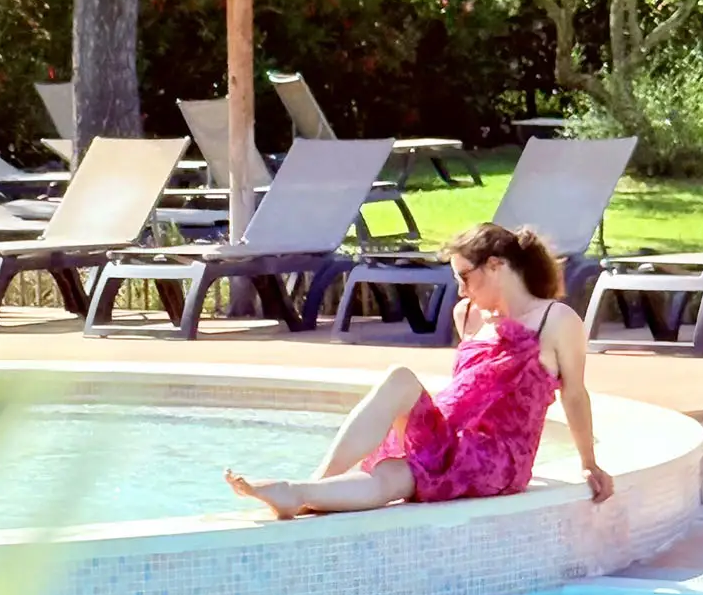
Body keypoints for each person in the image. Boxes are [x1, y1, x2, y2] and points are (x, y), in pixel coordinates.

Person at [225, 221, 614, 519]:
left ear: (496, 266)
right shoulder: (468, 315)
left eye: (465, 277)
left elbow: (574, 394)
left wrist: (588, 463)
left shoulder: (555, 320)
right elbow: (467, 391)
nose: (461, 291)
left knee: (401, 471)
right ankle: (305, 490)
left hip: (497, 459)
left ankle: (302, 492)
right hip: (453, 439)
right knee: (400, 392)